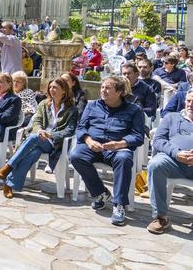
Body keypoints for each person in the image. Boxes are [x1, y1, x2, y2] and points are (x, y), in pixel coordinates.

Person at [69, 76, 145, 226]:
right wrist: (89, 141)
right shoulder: (92, 106)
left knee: (124, 159)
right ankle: (101, 193)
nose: (103, 90)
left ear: (120, 92)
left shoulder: (134, 110)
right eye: (102, 87)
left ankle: (119, 205)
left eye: (108, 88)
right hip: (93, 146)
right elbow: (81, 127)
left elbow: (138, 136)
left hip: (118, 148)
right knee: (76, 155)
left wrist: (119, 144)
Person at [0, 78, 77, 198]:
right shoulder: (44, 104)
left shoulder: (72, 110)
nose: (51, 90)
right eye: (50, 87)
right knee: (33, 153)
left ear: (64, 91)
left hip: (55, 144)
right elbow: (37, 121)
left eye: (55, 87)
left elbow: (69, 130)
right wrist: (40, 131)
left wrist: (50, 135)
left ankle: (8, 167)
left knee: (34, 138)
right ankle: (9, 184)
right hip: (40, 139)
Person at [146, 91, 193, 234]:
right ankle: (160, 217)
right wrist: (176, 153)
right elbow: (158, 140)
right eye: (189, 101)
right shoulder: (171, 117)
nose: (191, 104)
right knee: (155, 164)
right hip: (174, 162)